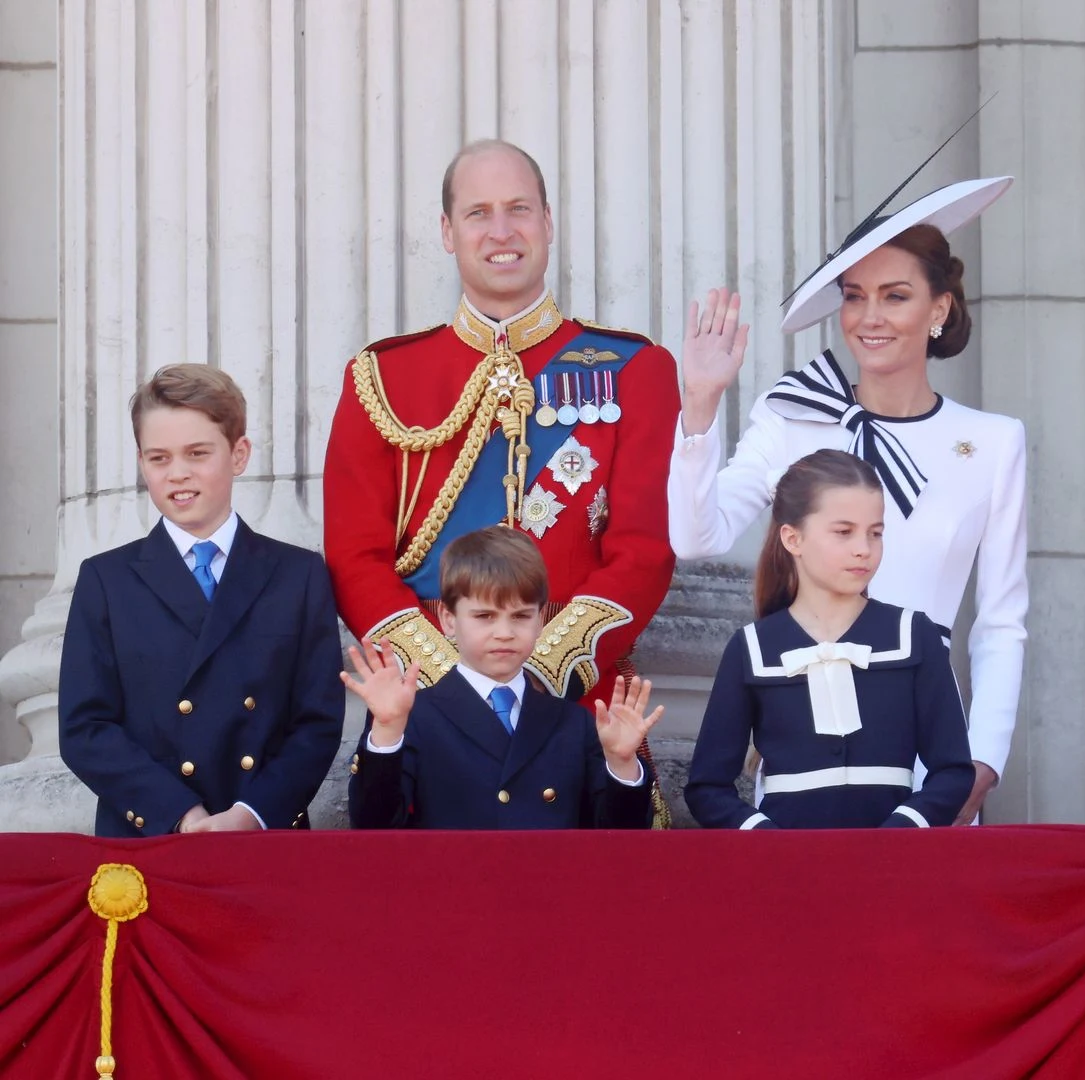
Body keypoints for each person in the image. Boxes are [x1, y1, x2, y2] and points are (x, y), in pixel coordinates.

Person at [322, 139, 677, 823]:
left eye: (519, 209)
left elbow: (643, 550)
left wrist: (539, 669)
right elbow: (353, 554)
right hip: (428, 723)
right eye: (478, 213)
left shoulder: (634, 368)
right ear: (448, 233)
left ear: (548, 221)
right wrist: (447, 680)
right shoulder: (382, 379)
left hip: (579, 719)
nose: (502, 231)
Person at [670, 176, 1026, 824]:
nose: (870, 317)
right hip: (802, 746)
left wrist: (981, 762)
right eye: (855, 297)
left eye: (896, 296)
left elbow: (1001, 621)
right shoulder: (792, 415)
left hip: (930, 752)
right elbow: (698, 537)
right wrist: (699, 408)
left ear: (940, 308)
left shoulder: (995, 443)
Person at [59, 365, 344, 836]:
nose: (178, 474)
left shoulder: (299, 575)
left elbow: (317, 721)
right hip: (151, 839)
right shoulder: (105, 580)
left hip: (264, 838)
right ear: (141, 463)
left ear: (239, 454)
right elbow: (85, 728)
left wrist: (252, 814)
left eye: (197, 453)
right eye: (159, 458)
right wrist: (179, 814)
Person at [684, 450, 974, 830]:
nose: (863, 549)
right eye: (843, 532)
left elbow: (953, 770)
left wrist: (903, 830)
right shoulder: (752, 648)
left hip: (895, 871)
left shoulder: (913, 635)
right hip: (788, 874)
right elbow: (707, 788)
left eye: (875, 533)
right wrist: (766, 838)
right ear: (793, 538)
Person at [344, 527, 661, 829]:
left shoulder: (574, 723)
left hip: (552, 884)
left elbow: (618, 840)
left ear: (540, 621)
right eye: (485, 616)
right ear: (448, 619)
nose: (505, 633)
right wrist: (385, 734)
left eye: (521, 616)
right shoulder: (414, 716)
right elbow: (375, 826)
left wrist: (621, 764)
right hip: (449, 882)